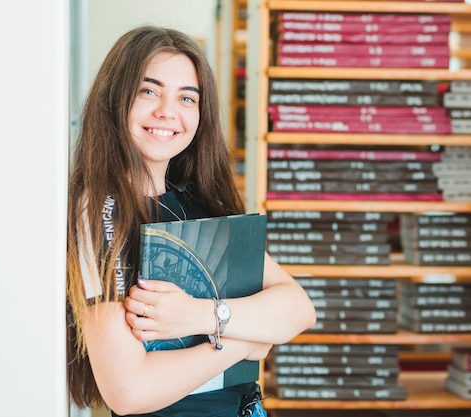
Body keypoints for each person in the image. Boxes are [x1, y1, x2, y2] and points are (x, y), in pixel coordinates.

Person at [66, 26, 316, 417]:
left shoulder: (201, 203)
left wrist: (203, 316)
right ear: (116, 99)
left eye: (187, 98)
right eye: (149, 91)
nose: (168, 111)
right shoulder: (97, 213)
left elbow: (298, 309)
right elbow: (129, 391)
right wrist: (245, 339)